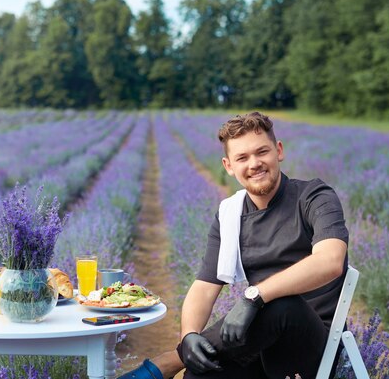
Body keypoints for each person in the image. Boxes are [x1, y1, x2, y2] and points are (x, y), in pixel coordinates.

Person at [119, 112, 349, 379]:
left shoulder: (315, 197)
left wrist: (255, 296)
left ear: (279, 151)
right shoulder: (230, 214)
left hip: (312, 346)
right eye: (242, 158)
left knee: (280, 304)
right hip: (260, 343)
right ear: (228, 166)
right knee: (200, 368)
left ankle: (170, 361)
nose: (255, 163)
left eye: (262, 152)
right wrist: (190, 336)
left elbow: (330, 261)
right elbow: (204, 287)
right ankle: (184, 357)